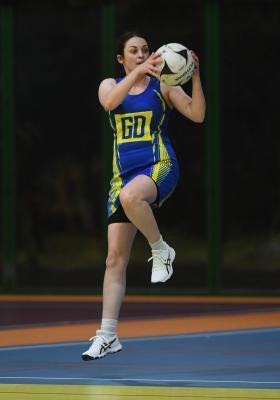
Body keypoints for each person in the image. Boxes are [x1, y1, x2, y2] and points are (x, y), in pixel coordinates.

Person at [81, 31, 205, 360]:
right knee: (114, 260)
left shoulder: (162, 85)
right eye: (133, 51)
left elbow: (197, 114)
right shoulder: (110, 85)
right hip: (122, 179)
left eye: (145, 50)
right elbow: (109, 103)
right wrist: (137, 72)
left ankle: (161, 249)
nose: (141, 55)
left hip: (160, 166)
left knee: (131, 197)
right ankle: (108, 335)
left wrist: (195, 78)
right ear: (121, 58)